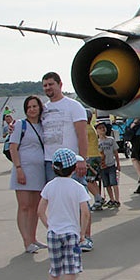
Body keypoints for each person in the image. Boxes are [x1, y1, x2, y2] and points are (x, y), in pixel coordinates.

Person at [41, 72, 91, 250]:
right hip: (50, 163)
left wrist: (82, 159)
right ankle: (62, 236)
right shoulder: (44, 109)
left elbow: (82, 135)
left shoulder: (73, 106)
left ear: (60, 85)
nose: (48, 88)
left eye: (51, 84)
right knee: (57, 203)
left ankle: (85, 237)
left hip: (72, 162)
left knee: (79, 201)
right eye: (45, 85)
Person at [38, 148, 91, 280]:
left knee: (55, 269)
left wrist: (49, 226)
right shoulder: (77, 187)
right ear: (74, 168)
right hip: (71, 234)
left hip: (53, 233)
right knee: (71, 269)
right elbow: (85, 212)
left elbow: (40, 210)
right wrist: (82, 233)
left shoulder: (49, 186)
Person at [8, 96, 48, 254]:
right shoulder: (20, 125)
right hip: (23, 169)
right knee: (24, 206)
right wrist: (18, 168)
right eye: (29, 107)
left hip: (39, 171)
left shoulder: (43, 126)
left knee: (35, 207)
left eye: (35, 106)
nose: (32, 109)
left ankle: (33, 238)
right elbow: (13, 147)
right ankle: (26, 240)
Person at [96, 122, 120, 209]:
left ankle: (117, 200)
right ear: (97, 131)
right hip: (102, 166)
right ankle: (112, 199)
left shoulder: (111, 140)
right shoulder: (97, 142)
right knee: (107, 184)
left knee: (114, 183)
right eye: (100, 128)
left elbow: (116, 153)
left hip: (111, 164)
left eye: (104, 127)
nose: (103, 129)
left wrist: (118, 164)